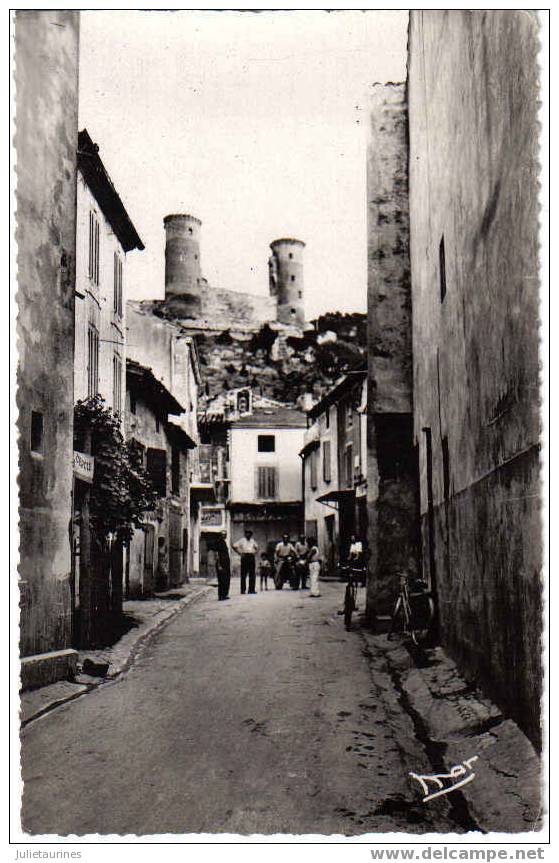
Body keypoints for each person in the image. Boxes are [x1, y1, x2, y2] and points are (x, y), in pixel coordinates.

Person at [233, 528, 258, 594]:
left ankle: (251, 590)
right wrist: (239, 553)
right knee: (243, 574)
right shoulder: (242, 540)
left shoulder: (253, 541)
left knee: (252, 574)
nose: (248, 535)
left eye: (250, 533)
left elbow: (257, 547)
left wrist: (254, 553)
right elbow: (234, 546)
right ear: (245, 534)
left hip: (251, 557)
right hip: (245, 557)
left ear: (251, 535)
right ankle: (243, 590)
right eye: (247, 533)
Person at [214, 531, 231, 601]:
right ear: (220, 535)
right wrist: (219, 565)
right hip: (221, 564)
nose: (225, 535)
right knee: (222, 580)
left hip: (226, 564)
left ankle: (224, 594)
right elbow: (217, 554)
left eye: (225, 534)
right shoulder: (219, 542)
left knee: (226, 579)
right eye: (223, 534)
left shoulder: (224, 542)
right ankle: (221, 596)